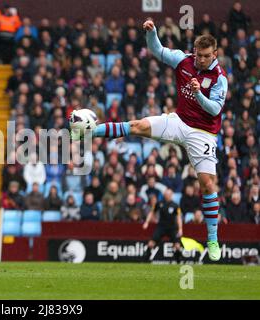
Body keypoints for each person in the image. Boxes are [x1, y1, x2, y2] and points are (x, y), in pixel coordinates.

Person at [73, 19, 228, 261]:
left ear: (215, 54)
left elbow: (214, 111)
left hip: (203, 133)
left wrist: (198, 93)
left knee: (207, 185)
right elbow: (157, 50)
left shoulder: (219, 78)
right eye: (199, 55)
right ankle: (89, 131)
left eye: (206, 56)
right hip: (179, 121)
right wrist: (152, 33)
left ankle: (213, 239)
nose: (200, 60)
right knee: (138, 125)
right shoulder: (184, 59)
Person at [142, 189, 183, 263]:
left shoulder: (175, 205)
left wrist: (180, 229)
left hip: (172, 228)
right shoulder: (159, 203)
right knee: (151, 244)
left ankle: (178, 261)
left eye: (168, 194)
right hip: (161, 227)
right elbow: (152, 212)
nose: (167, 196)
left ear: (171, 195)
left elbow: (179, 217)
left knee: (177, 246)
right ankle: (146, 259)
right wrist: (147, 222)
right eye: (166, 194)